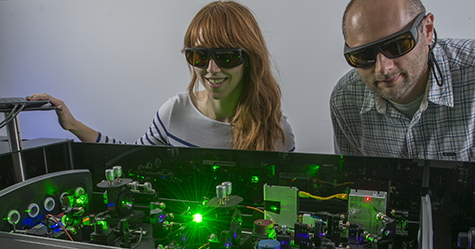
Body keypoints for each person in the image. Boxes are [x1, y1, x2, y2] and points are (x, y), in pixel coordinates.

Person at [28, 1, 295, 152]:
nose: (212, 69)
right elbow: (128, 158)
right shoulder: (173, 113)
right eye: (200, 56)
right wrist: (73, 124)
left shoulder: (276, 130)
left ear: (250, 59)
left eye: (226, 56)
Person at [330, 0, 475, 161]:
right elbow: (353, 180)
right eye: (364, 55)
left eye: (397, 46)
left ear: (427, 30)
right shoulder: (344, 100)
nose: (383, 68)